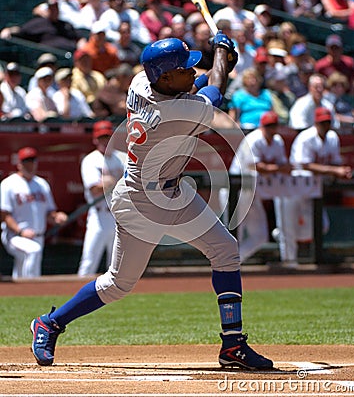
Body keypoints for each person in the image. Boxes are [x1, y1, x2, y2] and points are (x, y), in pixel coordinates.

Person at [30, 34, 273, 371]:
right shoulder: (171, 113)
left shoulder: (142, 80)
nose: (192, 72)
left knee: (226, 250)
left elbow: (201, 83)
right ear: (165, 76)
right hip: (141, 202)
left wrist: (221, 66)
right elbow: (212, 93)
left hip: (173, 193)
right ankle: (50, 322)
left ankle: (232, 345)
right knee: (117, 285)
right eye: (184, 69)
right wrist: (220, 57)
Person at [279, 107, 352, 267]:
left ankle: (279, 234)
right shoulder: (306, 137)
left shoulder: (332, 137)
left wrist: (340, 171)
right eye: (322, 122)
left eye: (327, 122)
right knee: (289, 225)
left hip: (313, 187)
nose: (325, 125)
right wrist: (334, 170)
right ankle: (289, 263)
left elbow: (335, 162)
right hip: (295, 184)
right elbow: (304, 164)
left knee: (322, 226)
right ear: (315, 122)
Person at [229, 111, 292, 263]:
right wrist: (276, 169)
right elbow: (256, 166)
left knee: (260, 235)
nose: (271, 129)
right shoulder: (254, 139)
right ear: (261, 126)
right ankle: (226, 264)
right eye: (268, 126)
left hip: (253, 192)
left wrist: (275, 168)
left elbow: (284, 165)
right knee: (233, 233)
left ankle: (235, 261)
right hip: (237, 190)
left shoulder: (277, 141)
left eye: (273, 126)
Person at [0, 147, 68, 279]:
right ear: (19, 164)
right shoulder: (8, 184)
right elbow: (4, 215)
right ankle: (31, 289)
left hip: (37, 236)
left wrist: (57, 217)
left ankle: (18, 295)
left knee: (22, 266)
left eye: (32, 161)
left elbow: (50, 212)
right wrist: (20, 231)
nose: (29, 165)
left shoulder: (42, 184)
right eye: (26, 162)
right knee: (33, 252)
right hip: (15, 236)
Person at [78, 120, 127, 276]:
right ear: (95, 139)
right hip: (99, 216)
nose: (105, 142)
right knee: (89, 262)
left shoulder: (123, 158)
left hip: (120, 216)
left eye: (107, 137)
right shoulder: (90, 160)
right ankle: (77, 298)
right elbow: (95, 189)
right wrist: (116, 180)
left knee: (117, 266)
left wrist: (109, 181)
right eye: (101, 138)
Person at [0, 0, 82, 52]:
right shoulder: (39, 23)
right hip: (50, 55)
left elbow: (79, 38)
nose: (54, 11)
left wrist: (81, 44)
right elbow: (21, 30)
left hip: (69, 52)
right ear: (48, 9)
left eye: (56, 8)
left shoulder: (65, 25)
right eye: (52, 8)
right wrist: (8, 30)